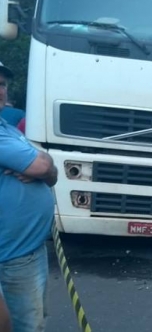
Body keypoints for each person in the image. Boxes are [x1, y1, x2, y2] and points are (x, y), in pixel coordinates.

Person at [0, 61, 58, 332]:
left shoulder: (9, 131)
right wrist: (43, 167)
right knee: (24, 325)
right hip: (11, 256)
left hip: (27, 250)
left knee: (31, 322)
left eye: (1, 84)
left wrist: (45, 167)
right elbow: (43, 166)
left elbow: (51, 172)